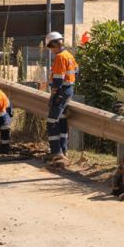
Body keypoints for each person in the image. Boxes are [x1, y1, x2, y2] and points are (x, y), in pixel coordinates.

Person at [44, 31, 77, 168]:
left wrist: (53, 95)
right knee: (62, 119)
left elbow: (57, 80)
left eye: (50, 48)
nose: (50, 51)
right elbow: (77, 71)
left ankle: (56, 152)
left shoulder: (59, 57)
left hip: (62, 92)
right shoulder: (69, 55)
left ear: (54, 44)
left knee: (51, 121)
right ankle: (63, 150)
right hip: (69, 90)